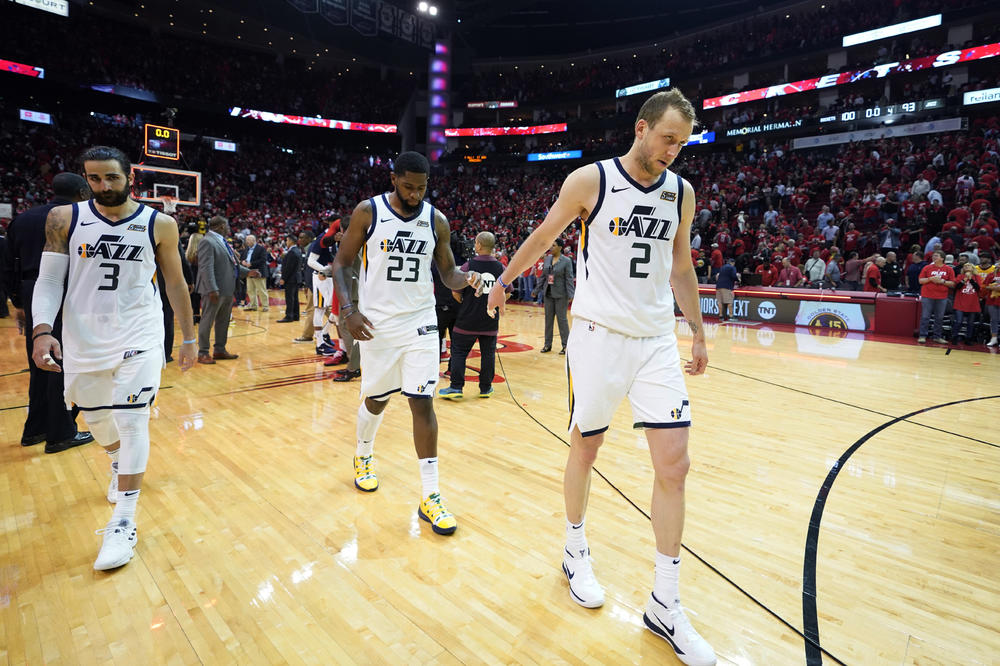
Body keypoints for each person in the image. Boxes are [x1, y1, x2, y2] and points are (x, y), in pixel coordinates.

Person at [486, 89, 716, 666]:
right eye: (667, 139)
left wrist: (698, 330)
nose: (673, 152)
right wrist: (504, 280)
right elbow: (544, 236)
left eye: (682, 145)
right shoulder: (592, 180)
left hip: (655, 340)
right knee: (586, 448)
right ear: (641, 128)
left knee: (675, 463)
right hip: (596, 336)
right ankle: (574, 547)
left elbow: (681, 264)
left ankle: (666, 602)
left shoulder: (682, 193)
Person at [30, 145, 196, 571]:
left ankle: (124, 521)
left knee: (133, 417)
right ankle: (116, 461)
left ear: (130, 178)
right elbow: (49, 279)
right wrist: (42, 329)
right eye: (95, 178)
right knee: (96, 418)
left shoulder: (160, 224)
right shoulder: (65, 219)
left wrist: (189, 337)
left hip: (139, 333)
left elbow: (176, 285)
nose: (104, 186)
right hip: (82, 336)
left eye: (112, 178)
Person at [331, 151, 483, 537]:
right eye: (409, 186)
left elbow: (447, 273)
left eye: (422, 187)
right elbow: (342, 263)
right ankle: (364, 454)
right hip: (377, 324)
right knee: (378, 398)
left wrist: (470, 278)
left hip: (420, 322)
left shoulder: (437, 221)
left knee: (422, 401)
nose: (415, 194)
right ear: (394, 179)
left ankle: (429, 496)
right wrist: (349, 310)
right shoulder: (369, 211)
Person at [2, 173, 95, 453]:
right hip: (63, 288)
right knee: (63, 361)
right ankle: (61, 432)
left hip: (31, 290)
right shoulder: (78, 218)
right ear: (81, 191)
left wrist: (18, 302)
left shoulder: (23, 218)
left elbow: (8, 265)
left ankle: (35, 428)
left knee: (40, 362)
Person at [439, 231, 509, 399]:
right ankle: (486, 388)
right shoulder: (501, 267)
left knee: (459, 352)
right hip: (490, 319)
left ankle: (456, 387)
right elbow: (507, 292)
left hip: (467, 319)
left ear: (478, 245)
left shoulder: (467, 266)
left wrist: (467, 303)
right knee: (488, 354)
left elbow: (455, 291)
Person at [195, 215, 258, 364]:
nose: (229, 229)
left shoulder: (223, 242)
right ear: (221, 226)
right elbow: (206, 268)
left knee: (223, 321)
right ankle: (203, 352)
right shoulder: (207, 241)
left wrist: (247, 272)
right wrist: (212, 289)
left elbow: (233, 265)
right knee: (207, 321)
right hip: (214, 290)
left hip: (227, 288)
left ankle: (219, 349)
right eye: (227, 226)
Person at [533, 237, 575, 354]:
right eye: (551, 245)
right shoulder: (547, 259)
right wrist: (536, 290)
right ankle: (547, 345)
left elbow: (569, 278)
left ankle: (566, 345)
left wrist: (571, 294)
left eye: (554, 245)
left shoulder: (566, 261)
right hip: (548, 293)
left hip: (561, 295)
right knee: (548, 320)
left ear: (560, 248)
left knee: (562, 320)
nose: (551, 247)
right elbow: (543, 277)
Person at [917, 250, 955, 344]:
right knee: (925, 316)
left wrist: (942, 281)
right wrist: (930, 279)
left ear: (942, 258)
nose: (934, 257)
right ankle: (922, 336)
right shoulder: (927, 267)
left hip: (942, 296)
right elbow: (920, 281)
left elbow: (953, 284)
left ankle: (937, 337)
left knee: (939, 317)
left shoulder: (949, 269)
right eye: (933, 256)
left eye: (936, 256)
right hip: (927, 295)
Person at [277, 233, 305, 322]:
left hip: (291, 278)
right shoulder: (298, 250)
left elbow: (288, 268)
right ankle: (296, 315)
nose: (286, 242)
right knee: (295, 298)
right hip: (297, 277)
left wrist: (283, 278)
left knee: (289, 298)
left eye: (287, 240)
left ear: (291, 241)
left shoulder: (292, 252)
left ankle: (289, 316)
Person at [951, 263, 982, 344]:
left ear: (973, 268)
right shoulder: (959, 276)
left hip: (972, 303)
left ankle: (968, 338)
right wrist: (964, 279)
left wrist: (971, 279)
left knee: (971, 323)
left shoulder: (977, 277)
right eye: (965, 266)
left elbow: (978, 288)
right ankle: (954, 337)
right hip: (960, 302)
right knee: (958, 321)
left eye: (968, 266)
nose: (966, 267)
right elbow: (956, 287)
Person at [241, 234, 269, 311]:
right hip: (249, 272)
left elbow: (263, 260)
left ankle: (265, 306)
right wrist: (243, 261)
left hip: (258, 271)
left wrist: (251, 263)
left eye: (248, 240)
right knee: (250, 290)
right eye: (246, 241)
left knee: (261, 290)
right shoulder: (246, 249)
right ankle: (253, 305)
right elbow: (242, 258)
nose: (247, 242)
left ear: (254, 240)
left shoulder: (261, 249)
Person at [715, 256, 738, 321]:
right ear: (733, 263)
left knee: (720, 302)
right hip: (727, 286)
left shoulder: (722, 267)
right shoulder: (732, 267)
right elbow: (734, 276)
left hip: (718, 286)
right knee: (729, 302)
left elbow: (718, 276)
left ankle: (720, 316)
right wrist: (738, 280)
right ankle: (731, 316)